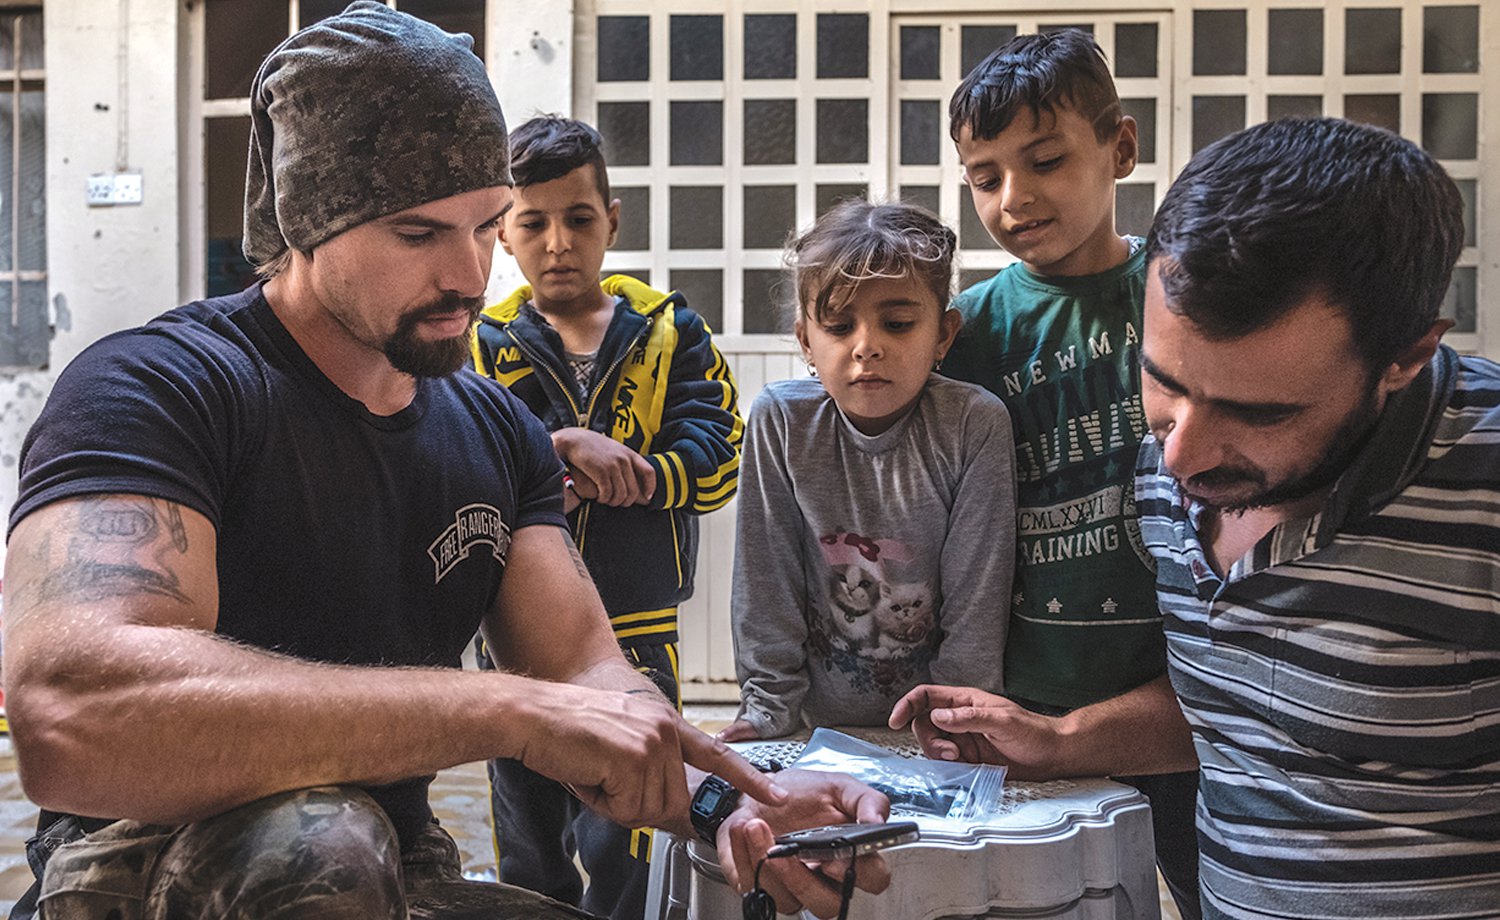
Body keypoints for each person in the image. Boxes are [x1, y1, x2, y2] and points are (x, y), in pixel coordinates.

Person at [0, 5, 888, 919]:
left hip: (395, 867)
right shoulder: (158, 388)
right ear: (308, 222)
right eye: (419, 235)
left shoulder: (496, 432)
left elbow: (584, 678)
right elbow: (72, 714)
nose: (469, 276)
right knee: (323, 842)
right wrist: (504, 711)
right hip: (138, 869)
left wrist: (734, 801)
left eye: (485, 226)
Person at [1133, 116, 1500, 918]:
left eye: (1259, 412)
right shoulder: (1167, 461)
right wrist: (1060, 741)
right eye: (1164, 381)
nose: (1181, 457)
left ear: (1404, 358)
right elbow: (1251, 718)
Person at [891, 29, 1203, 919]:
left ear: (1121, 148)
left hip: (1183, 704)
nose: (1014, 198)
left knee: (1212, 893)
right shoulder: (965, 333)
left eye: (1045, 161)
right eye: (984, 177)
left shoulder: (1184, 298)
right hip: (1026, 712)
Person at [470, 115, 741, 920]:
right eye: (533, 223)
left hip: (638, 631)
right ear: (503, 232)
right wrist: (556, 457)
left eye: (579, 218)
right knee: (528, 841)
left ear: (612, 221)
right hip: (513, 637)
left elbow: (719, 456)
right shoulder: (479, 348)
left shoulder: (672, 332)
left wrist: (637, 475)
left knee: (629, 830)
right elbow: (464, 473)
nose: (559, 243)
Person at [721, 199, 1016, 742]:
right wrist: (767, 705)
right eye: (838, 326)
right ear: (806, 341)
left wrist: (953, 718)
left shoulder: (973, 424)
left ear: (943, 335)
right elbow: (766, 582)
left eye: (897, 324)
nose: (867, 347)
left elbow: (978, 598)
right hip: (817, 725)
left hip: (937, 726)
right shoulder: (781, 420)